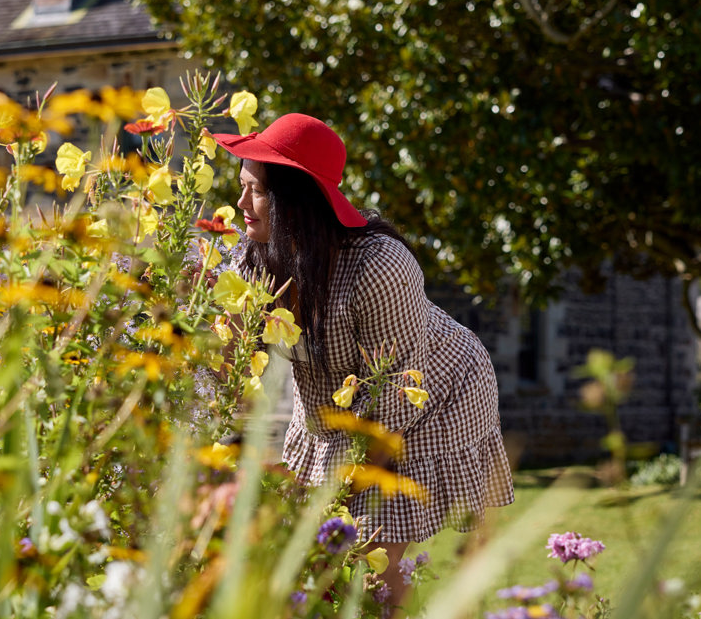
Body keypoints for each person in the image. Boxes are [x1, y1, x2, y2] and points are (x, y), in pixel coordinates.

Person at [212, 113, 514, 609]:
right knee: (316, 556)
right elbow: (228, 363)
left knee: (371, 557)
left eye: (257, 191)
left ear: (297, 201)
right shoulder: (254, 258)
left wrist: (340, 497)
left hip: (432, 397)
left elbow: (394, 399)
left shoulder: (378, 267)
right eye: (241, 187)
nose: (241, 204)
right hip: (333, 410)